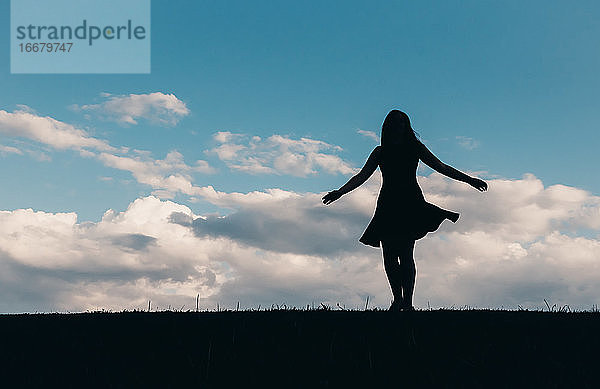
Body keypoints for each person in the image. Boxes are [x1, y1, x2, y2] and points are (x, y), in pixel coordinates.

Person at [322, 110, 487, 312]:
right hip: (388, 204)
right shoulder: (379, 152)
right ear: (387, 127)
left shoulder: (415, 148)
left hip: (410, 202)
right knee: (389, 256)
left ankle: (407, 302)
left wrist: (469, 180)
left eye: (402, 122)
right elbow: (362, 176)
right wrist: (340, 192)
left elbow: (441, 167)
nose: (398, 126)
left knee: (406, 254)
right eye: (394, 122)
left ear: (406, 126)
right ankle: (397, 299)